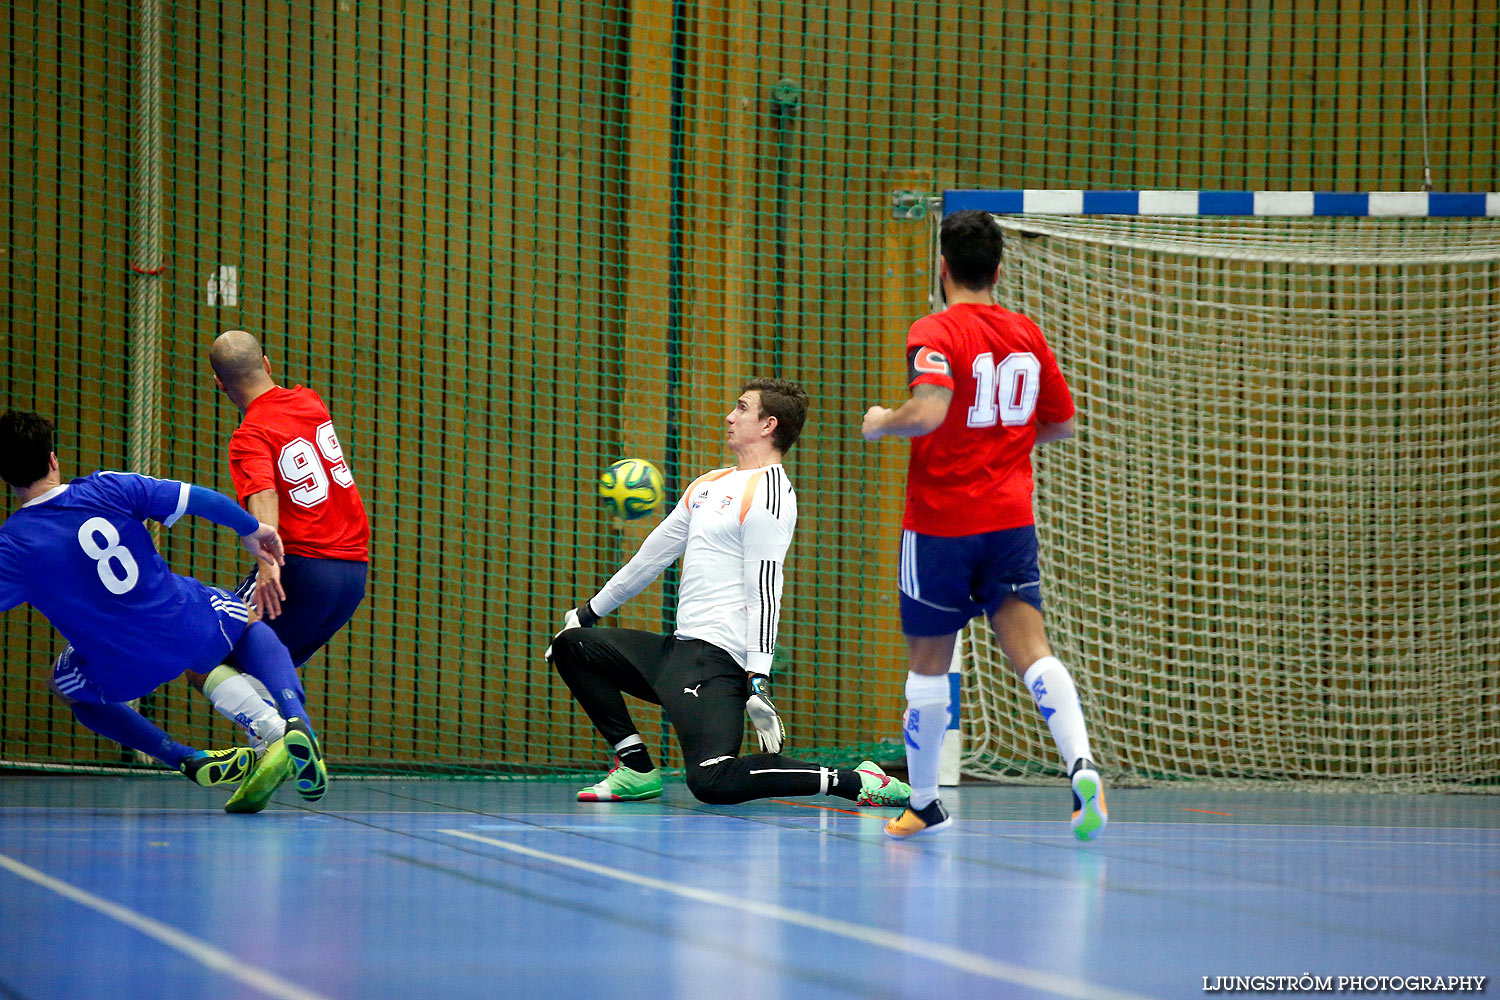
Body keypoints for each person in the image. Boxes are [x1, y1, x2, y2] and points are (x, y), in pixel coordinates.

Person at [548, 378, 911, 811]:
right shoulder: (709, 483)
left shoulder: (770, 494)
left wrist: (757, 678)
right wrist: (588, 612)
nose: (730, 416)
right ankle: (637, 769)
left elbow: (766, 586)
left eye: (741, 409)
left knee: (712, 780)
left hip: (717, 661)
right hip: (676, 652)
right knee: (572, 646)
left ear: (767, 425)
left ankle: (853, 781)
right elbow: (650, 557)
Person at [860, 209, 1107, 841]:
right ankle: (1080, 764)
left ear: (943, 268)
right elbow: (1063, 423)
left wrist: (883, 419)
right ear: (998, 270)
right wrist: (1007, 438)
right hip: (1010, 521)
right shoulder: (1026, 333)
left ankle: (923, 803)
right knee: (1034, 651)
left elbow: (930, 411)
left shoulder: (936, 329)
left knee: (927, 665)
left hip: (942, 525)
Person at [0, 410, 327, 812]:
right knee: (246, 620)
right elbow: (198, 499)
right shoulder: (108, 487)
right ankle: (295, 719)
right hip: (185, 624)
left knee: (62, 683)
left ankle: (183, 757)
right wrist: (253, 530)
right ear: (53, 459)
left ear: (6, 477)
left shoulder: (12, 547)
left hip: (119, 667)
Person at [183, 330, 369, 771]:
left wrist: (268, 565)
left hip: (301, 567)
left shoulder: (249, 434)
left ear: (218, 384)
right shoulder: (310, 400)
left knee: (199, 657)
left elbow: (263, 494)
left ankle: (283, 733)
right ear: (267, 363)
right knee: (263, 666)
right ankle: (274, 757)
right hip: (352, 576)